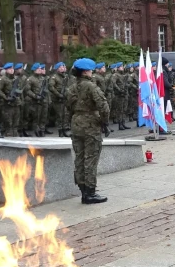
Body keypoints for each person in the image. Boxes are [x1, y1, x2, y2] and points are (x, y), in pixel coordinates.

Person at [67, 58, 110, 204]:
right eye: (90, 70)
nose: (92, 72)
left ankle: (83, 191)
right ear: (85, 72)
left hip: (76, 123)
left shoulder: (71, 87)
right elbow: (103, 106)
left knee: (79, 158)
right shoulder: (91, 86)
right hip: (90, 125)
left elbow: (68, 107)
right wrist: (104, 122)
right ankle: (90, 193)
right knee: (90, 159)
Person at [0, 63, 20, 136]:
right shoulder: (3, 79)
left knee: (16, 124)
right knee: (8, 124)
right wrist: (5, 97)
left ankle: (15, 136)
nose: (12, 70)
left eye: (12, 68)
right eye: (9, 69)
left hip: (16, 104)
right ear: (6, 70)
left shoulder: (16, 78)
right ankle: (9, 137)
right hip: (7, 105)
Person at [26, 64, 51, 136]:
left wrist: (48, 99)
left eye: (40, 68)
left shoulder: (43, 78)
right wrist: (35, 96)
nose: (40, 70)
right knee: (36, 117)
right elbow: (27, 90)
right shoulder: (30, 79)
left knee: (44, 116)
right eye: (38, 69)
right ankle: (36, 130)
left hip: (44, 100)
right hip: (35, 101)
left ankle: (42, 129)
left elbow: (47, 89)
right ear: (34, 70)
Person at [49, 63, 70, 137]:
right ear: (57, 68)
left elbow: (68, 86)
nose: (63, 68)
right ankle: (60, 130)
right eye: (61, 67)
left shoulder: (65, 77)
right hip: (57, 99)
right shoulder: (54, 77)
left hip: (64, 98)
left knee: (66, 114)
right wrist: (58, 95)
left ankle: (65, 129)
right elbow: (51, 87)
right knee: (60, 115)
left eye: (64, 67)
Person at [112, 64, 129, 131]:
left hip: (124, 94)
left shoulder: (123, 75)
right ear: (118, 68)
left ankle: (123, 123)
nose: (122, 68)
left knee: (124, 110)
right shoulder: (115, 75)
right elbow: (114, 83)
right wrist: (119, 90)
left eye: (122, 67)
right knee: (120, 110)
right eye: (121, 67)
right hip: (119, 95)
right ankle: (120, 124)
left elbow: (126, 82)